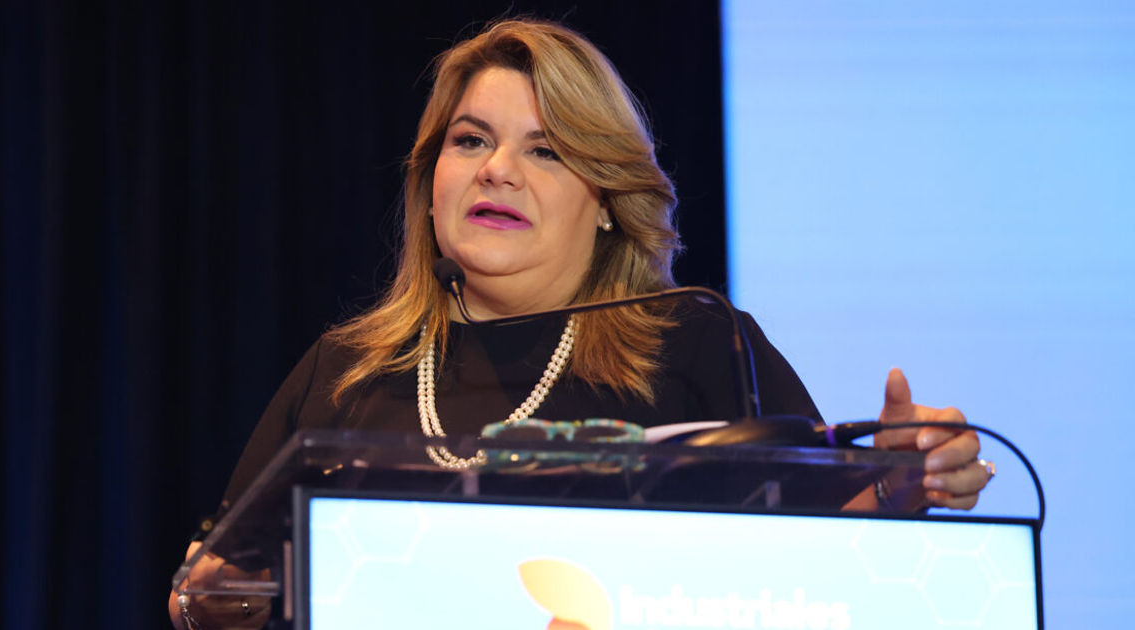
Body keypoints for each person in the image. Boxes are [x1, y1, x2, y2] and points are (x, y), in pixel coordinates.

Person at [169, 18, 992, 629]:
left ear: (606, 201)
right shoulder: (346, 371)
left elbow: (816, 567)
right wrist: (209, 601)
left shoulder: (697, 341)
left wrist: (901, 486)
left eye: (547, 150)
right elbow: (215, 585)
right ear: (431, 180)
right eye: (471, 140)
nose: (497, 170)